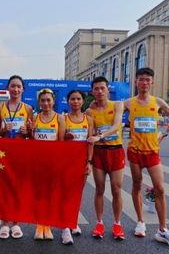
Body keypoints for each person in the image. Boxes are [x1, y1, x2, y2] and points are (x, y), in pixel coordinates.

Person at [124, 67, 169, 247]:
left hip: (152, 152)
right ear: (136, 82)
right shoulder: (128, 103)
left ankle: (162, 230)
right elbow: (113, 116)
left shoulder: (157, 102)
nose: (144, 83)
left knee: (160, 189)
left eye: (147, 80)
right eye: (141, 79)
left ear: (152, 82)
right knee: (136, 185)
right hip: (134, 151)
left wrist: (163, 134)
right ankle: (140, 221)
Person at [0, 75, 33, 239]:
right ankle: (4, 223)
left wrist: (27, 131)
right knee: (4, 188)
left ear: (23, 89)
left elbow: (32, 134)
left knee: (17, 188)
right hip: (3, 152)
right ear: (8, 88)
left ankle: (16, 223)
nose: (16, 89)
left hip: (20, 152)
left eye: (18, 86)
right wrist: (3, 129)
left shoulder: (28, 108)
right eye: (13, 86)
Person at [86, 76, 126, 240]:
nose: (100, 91)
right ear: (92, 91)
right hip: (99, 152)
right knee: (100, 189)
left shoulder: (117, 105)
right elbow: (90, 131)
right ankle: (99, 222)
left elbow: (117, 126)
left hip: (115, 150)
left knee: (116, 189)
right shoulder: (90, 110)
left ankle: (117, 224)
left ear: (108, 89)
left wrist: (100, 136)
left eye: (102, 88)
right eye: (96, 88)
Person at [30, 88, 67, 243]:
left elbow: (61, 142)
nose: (46, 103)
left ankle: (48, 226)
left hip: (52, 162)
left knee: (51, 194)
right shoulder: (34, 117)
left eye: (48, 100)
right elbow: (32, 141)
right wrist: (30, 132)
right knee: (39, 195)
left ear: (53, 102)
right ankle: (39, 226)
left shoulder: (60, 118)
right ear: (39, 102)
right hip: (38, 162)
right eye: (43, 100)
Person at [64, 90, 94, 238]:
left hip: (81, 161)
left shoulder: (88, 120)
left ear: (83, 101)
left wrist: (89, 162)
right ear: (68, 101)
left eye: (78, 99)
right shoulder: (63, 118)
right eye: (72, 99)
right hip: (66, 161)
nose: (75, 102)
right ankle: (65, 222)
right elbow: (60, 140)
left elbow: (90, 143)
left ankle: (73, 221)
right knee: (66, 192)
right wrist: (65, 137)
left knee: (77, 192)